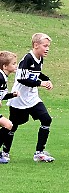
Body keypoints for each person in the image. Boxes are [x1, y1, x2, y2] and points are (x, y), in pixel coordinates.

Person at [6, 33, 55, 162]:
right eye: (45, 46)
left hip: (33, 99)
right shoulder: (27, 59)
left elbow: (36, 73)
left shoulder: (40, 59)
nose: (47, 49)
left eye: (48, 46)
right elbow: (22, 78)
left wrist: (46, 79)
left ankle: (39, 152)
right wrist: (41, 83)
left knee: (46, 119)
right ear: (36, 45)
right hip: (19, 99)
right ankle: (5, 152)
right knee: (12, 126)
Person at [0, 51, 19, 164]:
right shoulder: (0, 78)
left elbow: (1, 95)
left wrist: (12, 95)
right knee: (8, 125)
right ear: (5, 66)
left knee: (9, 125)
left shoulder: (3, 77)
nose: (16, 65)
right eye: (13, 63)